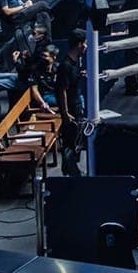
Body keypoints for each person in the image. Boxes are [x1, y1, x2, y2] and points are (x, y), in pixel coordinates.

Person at [55, 33, 87, 176]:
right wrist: (65, 112)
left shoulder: (76, 62)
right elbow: (62, 91)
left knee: (76, 140)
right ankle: (72, 173)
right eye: (85, 43)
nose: (86, 47)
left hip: (77, 104)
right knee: (70, 141)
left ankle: (69, 169)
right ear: (79, 44)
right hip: (71, 109)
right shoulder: (65, 66)